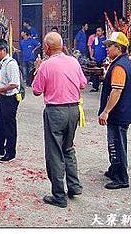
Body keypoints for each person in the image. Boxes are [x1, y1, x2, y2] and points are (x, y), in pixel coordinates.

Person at [32, 32, 86, 208]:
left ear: (47, 47)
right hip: (73, 110)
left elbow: (36, 90)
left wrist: (37, 68)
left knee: (55, 153)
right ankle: (74, 186)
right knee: (69, 148)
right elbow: (83, 84)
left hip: (55, 111)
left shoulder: (46, 65)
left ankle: (59, 195)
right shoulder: (73, 61)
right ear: (62, 45)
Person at [98, 32, 131, 190]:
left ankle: (121, 177)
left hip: (118, 113)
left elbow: (116, 91)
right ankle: (114, 169)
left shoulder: (119, 66)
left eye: (109, 46)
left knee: (117, 144)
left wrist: (106, 111)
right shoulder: (122, 62)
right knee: (114, 143)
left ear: (118, 48)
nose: (107, 49)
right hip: (121, 112)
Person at [90, 27, 107, 92]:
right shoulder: (96, 39)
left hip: (104, 59)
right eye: (97, 31)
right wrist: (91, 55)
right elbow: (93, 48)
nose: (97, 32)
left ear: (103, 32)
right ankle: (95, 87)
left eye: (99, 31)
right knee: (95, 73)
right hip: (96, 59)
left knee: (104, 74)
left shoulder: (106, 39)